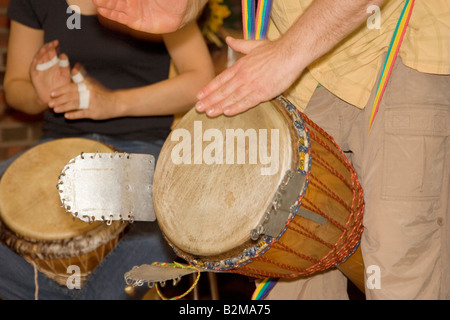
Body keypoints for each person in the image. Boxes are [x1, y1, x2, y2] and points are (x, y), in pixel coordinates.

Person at [95, 0, 450, 300]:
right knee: (290, 268)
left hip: (400, 44)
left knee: (396, 263)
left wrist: (289, 52)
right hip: (303, 64)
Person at [0, 0, 214, 300]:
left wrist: (111, 103)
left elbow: (200, 80)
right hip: (58, 148)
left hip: (140, 147)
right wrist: (42, 93)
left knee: (162, 224)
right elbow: (14, 86)